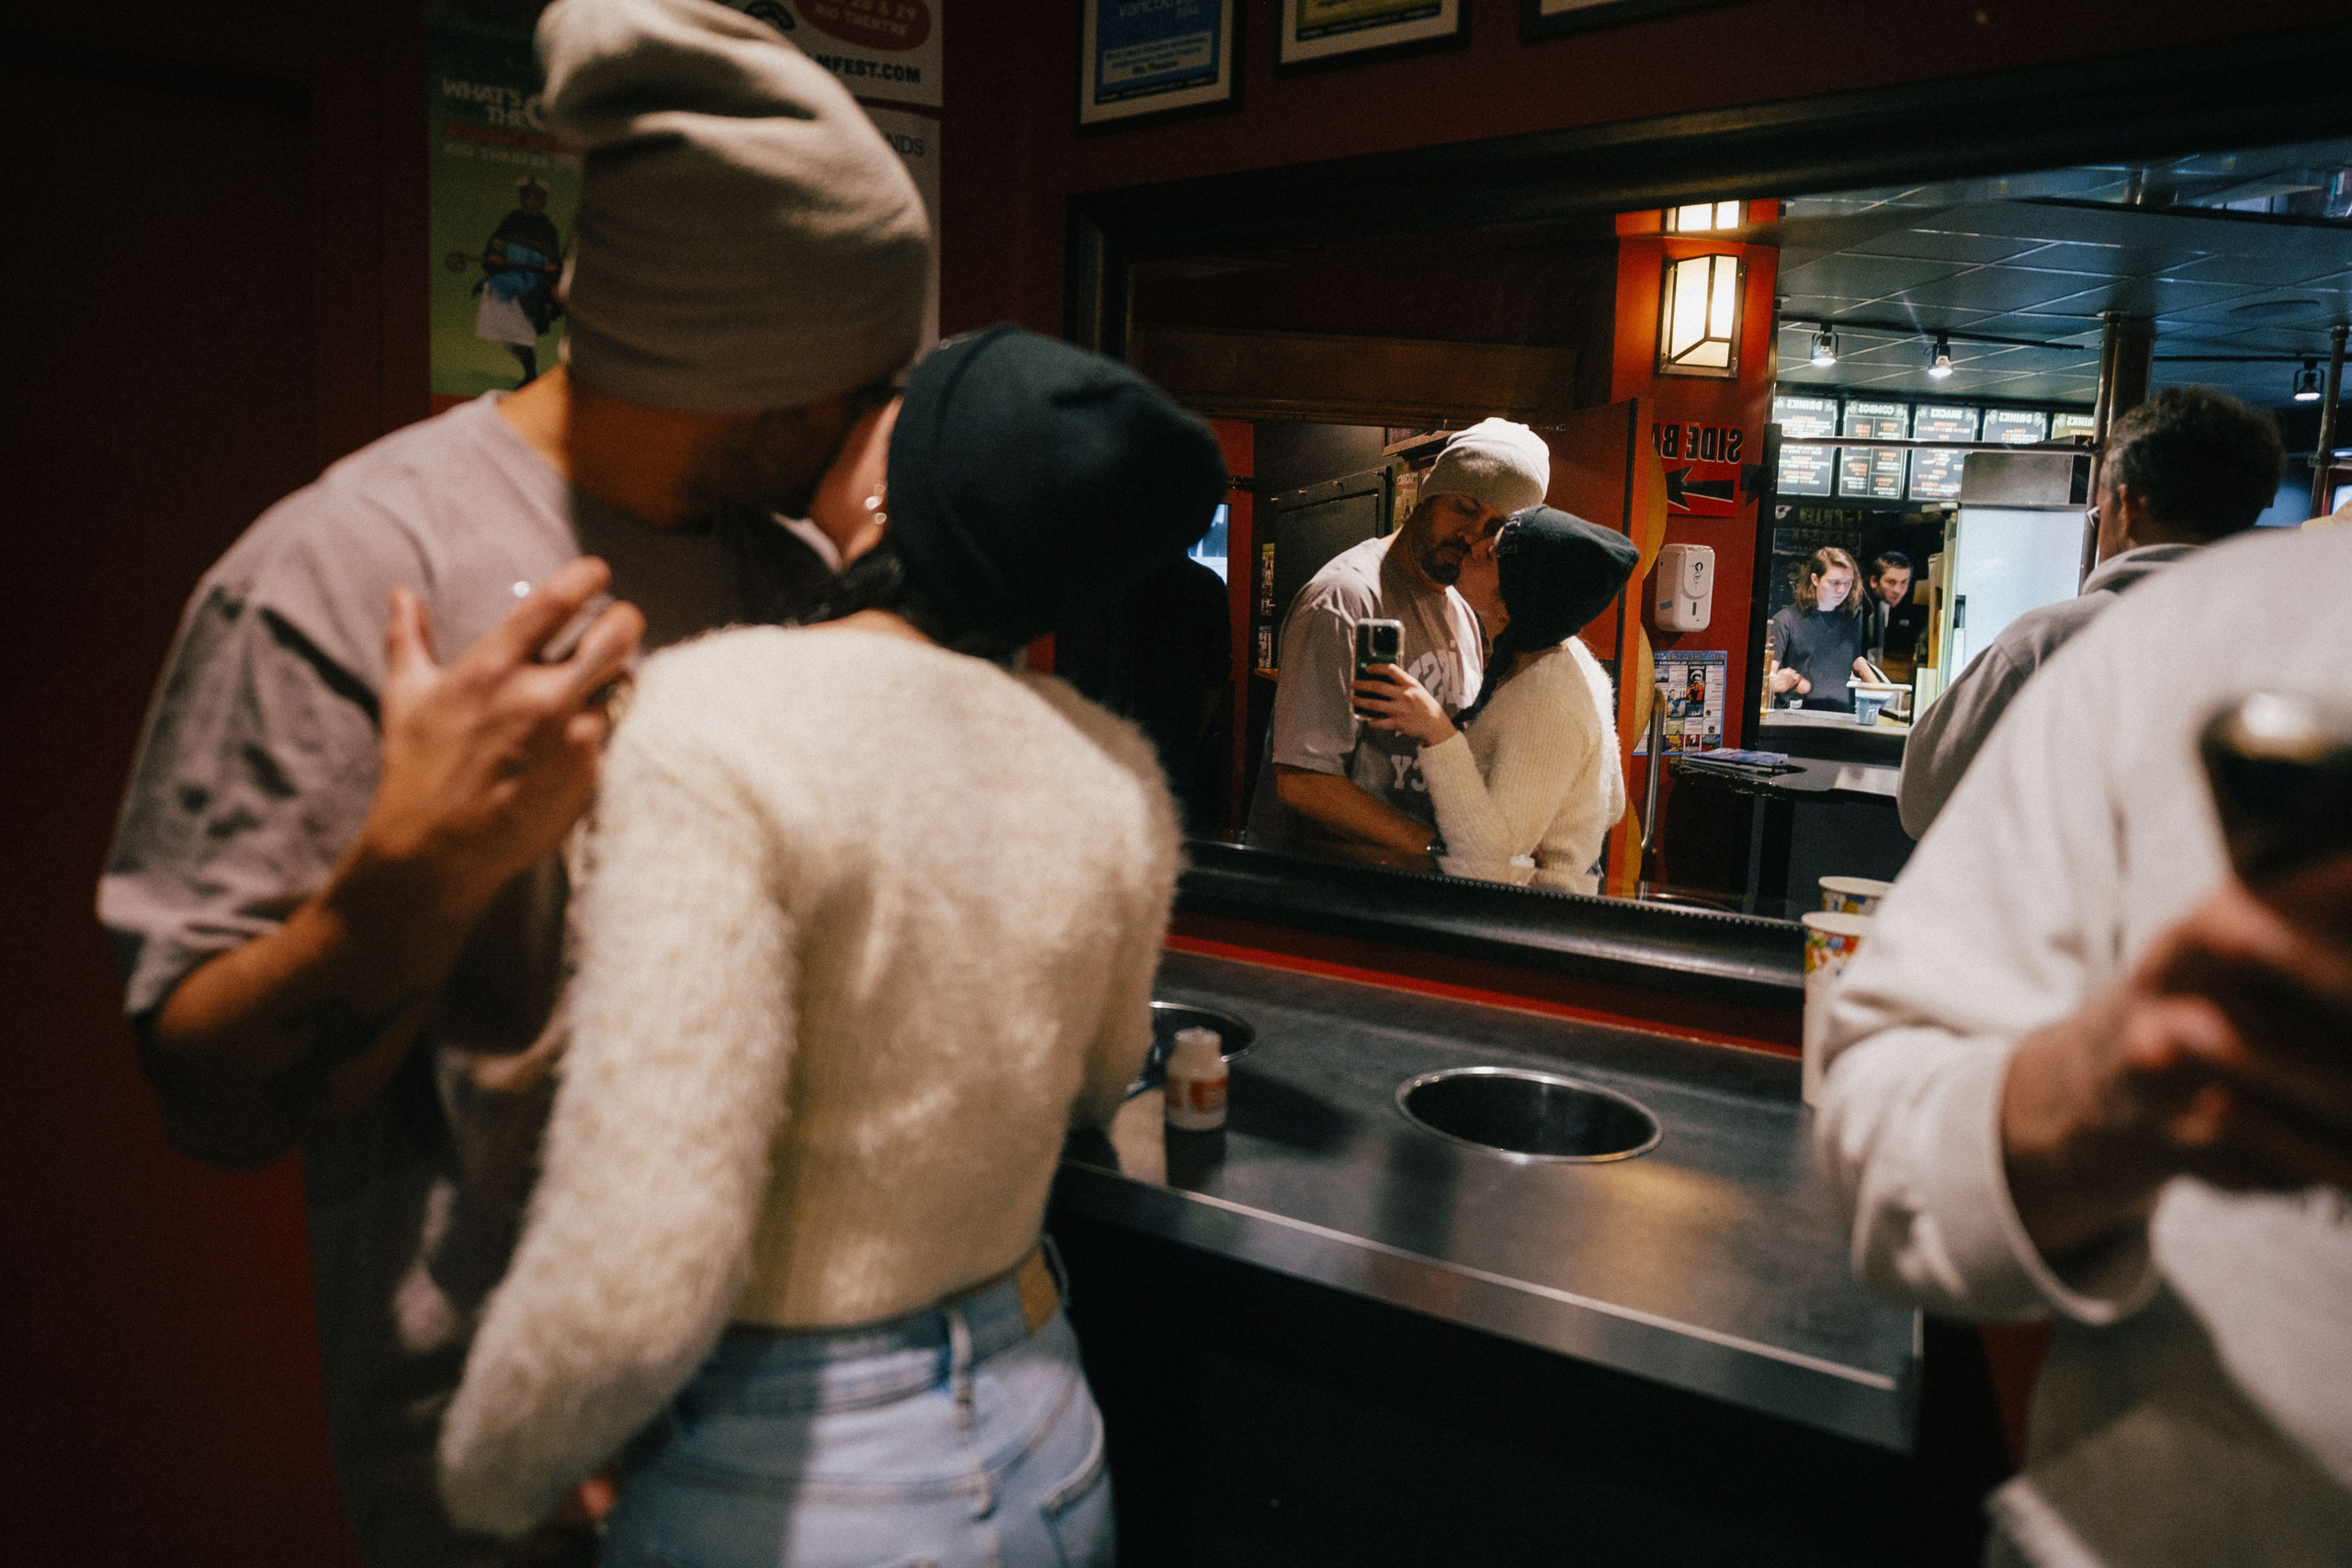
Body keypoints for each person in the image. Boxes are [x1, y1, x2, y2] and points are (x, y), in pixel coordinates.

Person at [96, 1, 931, 1562]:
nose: (882, 419)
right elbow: (205, 1097)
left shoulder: (796, 570)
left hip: (795, 1443)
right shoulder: (342, 572)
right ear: (750, 365)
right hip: (513, 1491)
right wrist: (419, 875)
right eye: (861, 375)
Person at [434, 325, 1227, 1566]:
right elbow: (1096, 1081)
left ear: (893, 484)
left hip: (801, 1474)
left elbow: (646, 1253)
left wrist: (495, 1471)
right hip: (1048, 1428)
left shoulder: (712, 718)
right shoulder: (1116, 770)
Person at [1815, 522, 2352, 1565]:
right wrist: (2123, 1082)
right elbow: (1885, 1135)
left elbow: (1921, 792)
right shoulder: (2197, 634)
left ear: (2120, 505)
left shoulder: (2060, 635)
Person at [1900, 388, 2284, 836]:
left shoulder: (2048, 642)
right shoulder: (2296, 645)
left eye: (2098, 512)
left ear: (2129, 505)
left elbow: (1925, 799)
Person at [1245, 417, 1551, 865]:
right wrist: (1440, 851)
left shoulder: (1463, 612)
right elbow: (1303, 782)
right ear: (1429, 493)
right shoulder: (1344, 597)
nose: (1473, 534)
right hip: (1329, 886)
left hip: (1413, 883)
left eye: (1494, 525)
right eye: (1465, 508)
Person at [1351, 507, 1639, 894]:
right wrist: (1539, 822)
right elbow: (1612, 802)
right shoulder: (1562, 656)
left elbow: (1489, 865)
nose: (1474, 545)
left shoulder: (1547, 696)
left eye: (1490, 555)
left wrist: (1437, 731)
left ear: (1509, 602)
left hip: (1534, 915)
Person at [474, 177, 564, 386]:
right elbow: (497, 242)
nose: (531, 202)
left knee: (523, 326)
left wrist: (551, 267)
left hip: (532, 283)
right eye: (528, 197)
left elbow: (553, 261)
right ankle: (528, 370)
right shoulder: (513, 219)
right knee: (493, 289)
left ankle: (530, 373)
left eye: (536, 198)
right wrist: (496, 256)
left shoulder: (547, 228)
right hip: (509, 277)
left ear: (542, 202)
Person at [1764, 546, 1864, 711]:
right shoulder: (1785, 620)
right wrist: (1778, 682)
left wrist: (1879, 689)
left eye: (1848, 583)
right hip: (1799, 717)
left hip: (1842, 716)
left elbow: (1854, 660)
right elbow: (1766, 679)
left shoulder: (1851, 620)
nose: (1842, 590)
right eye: (1835, 583)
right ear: (1815, 579)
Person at [1857, 549, 1915, 671]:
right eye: (1891, 582)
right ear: (1873, 581)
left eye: (1904, 582)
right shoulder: (1858, 606)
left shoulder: (1886, 602)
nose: (1898, 590)